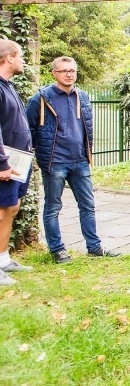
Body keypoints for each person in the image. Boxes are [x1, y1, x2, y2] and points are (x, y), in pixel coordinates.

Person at [26, 56, 120, 263]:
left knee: (88, 205)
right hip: (54, 162)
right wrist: (40, 156)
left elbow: (86, 127)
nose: (69, 74)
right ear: (54, 73)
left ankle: (94, 247)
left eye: (72, 71)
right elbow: (28, 130)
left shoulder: (83, 96)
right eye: (64, 71)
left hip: (80, 161)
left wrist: (87, 153)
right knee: (53, 207)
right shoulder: (41, 98)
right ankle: (57, 250)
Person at [0, 40, 34, 285]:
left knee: (11, 208)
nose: (23, 60)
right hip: (6, 162)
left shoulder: (8, 86)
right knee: (1, 211)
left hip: (19, 160)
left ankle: (3, 259)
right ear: (9, 58)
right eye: (20, 55)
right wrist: (1, 163)